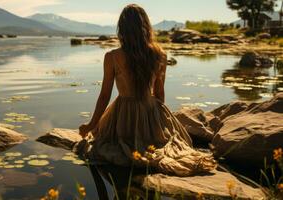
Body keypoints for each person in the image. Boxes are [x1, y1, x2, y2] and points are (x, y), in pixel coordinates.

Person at [78, 4, 216, 176]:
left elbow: (105, 95)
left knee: (106, 143)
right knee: (162, 144)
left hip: (123, 114)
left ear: (122, 29)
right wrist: (157, 123)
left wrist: (92, 125)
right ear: (146, 27)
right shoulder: (160, 55)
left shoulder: (112, 57)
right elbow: (159, 94)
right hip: (151, 107)